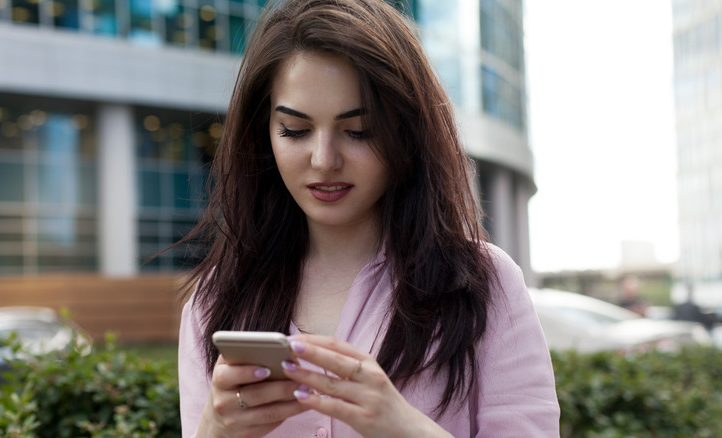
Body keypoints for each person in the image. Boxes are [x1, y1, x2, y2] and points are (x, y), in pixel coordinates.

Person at [176, 0, 560, 436]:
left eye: (358, 131)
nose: (324, 160)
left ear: (406, 130)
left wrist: (404, 427)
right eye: (295, 131)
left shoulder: (485, 285)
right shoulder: (214, 301)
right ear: (263, 133)